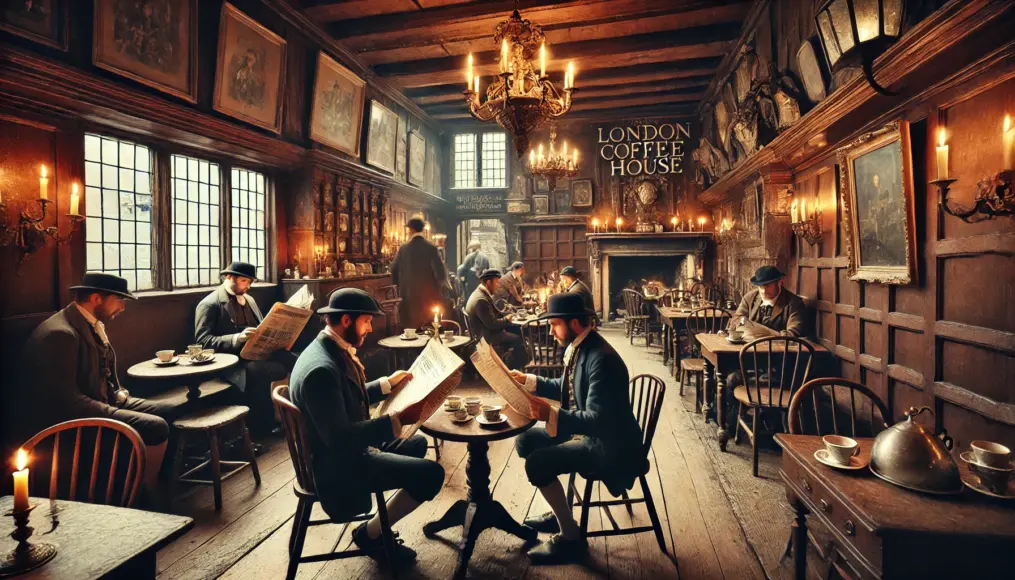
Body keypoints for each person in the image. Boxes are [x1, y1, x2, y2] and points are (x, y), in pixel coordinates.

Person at [288, 288, 444, 567]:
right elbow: (339, 439)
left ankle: (379, 525)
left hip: (339, 448)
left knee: (417, 444)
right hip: (336, 465)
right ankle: (370, 534)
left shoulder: (326, 347)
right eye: (367, 322)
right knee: (432, 475)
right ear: (346, 320)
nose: (370, 329)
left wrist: (386, 385)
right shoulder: (320, 370)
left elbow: (343, 395)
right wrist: (397, 420)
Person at [508, 293, 646, 564]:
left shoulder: (601, 358)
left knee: (537, 464)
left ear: (573, 323)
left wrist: (551, 413)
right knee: (525, 440)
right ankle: (561, 510)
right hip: (593, 434)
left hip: (610, 445)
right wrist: (529, 381)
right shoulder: (583, 345)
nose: (550, 330)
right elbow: (569, 385)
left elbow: (596, 420)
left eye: (554, 324)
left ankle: (571, 537)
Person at [18, 272, 174, 489]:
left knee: (170, 410)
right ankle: (143, 488)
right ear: (96, 299)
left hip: (106, 399)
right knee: (156, 426)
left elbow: (103, 372)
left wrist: (118, 394)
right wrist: (112, 410)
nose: (122, 307)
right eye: (119, 299)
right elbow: (66, 402)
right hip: (73, 419)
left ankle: (162, 482)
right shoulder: (60, 334)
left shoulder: (89, 322)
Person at [194, 261, 295, 437]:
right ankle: (263, 427)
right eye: (243, 281)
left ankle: (293, 416)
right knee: (262, 371)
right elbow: (202, 342)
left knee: (294, 359)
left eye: (250, 282)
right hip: (232, 362)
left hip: (256, 353)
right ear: (229, 277)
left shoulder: (249, 300)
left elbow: (262, 327)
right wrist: (235, 338)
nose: (248, 286)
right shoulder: (210, 304)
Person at [720, 265, 809, 441]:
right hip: (749, 361)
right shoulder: (750, 298)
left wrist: (764, 334)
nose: (762, 290)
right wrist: (743, 324)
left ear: (779, 283)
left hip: (780, 367)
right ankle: (734, 422)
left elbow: (793, 334)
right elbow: (736, 320)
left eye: (767, 285)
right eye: (759, 286)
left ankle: (761, 420)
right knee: (729, 378)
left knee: (739, 381)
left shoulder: (793, 303)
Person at [390, 217, 449, 329]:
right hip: (429, 297)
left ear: (411, 229)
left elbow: (393, 269)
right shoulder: (431, 247)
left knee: (410, 330)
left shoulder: (403, 249)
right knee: (430, 328)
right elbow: (441, 273)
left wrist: (398, 289)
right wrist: (438, 289)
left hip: (408, 297)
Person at [465, 269, 530, 369]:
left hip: (485, 330)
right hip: (486, 335)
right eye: (496, 282)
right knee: (517, 338)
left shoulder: (481, 293)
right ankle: (516, 367)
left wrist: (508, 313)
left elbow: (494, 313)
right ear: (488, 282)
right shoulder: (480, 299)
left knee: (516, 329)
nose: (497, 286)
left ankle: (520, 360)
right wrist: (507, 319)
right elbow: (492, 324)